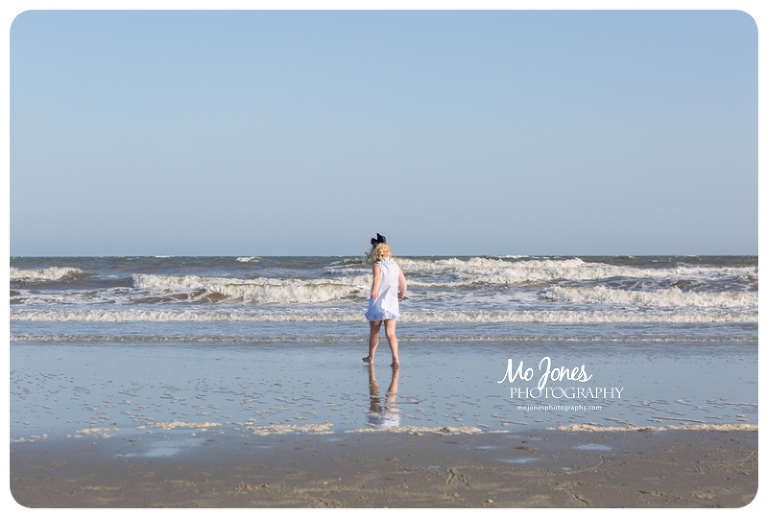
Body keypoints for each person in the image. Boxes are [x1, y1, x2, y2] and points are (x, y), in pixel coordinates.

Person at [363, 233, 407, 366]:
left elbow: (377, 278)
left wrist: (375, 290)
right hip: (392, 303)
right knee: (391, 333)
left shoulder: (377, 266)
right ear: (389, 252)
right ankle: (395, 358)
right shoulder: (395, 266)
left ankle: (371, 357)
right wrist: (401, 293)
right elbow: (404, 283)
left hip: (378, 303)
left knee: (375, 332)